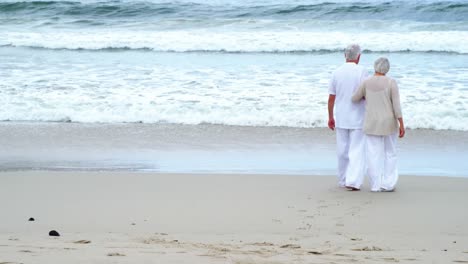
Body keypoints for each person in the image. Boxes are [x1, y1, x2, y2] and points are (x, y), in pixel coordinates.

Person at [352, 57, 405, 192]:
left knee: (373, 154)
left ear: (375, 67)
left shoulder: (366, 82)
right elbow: (396, 106)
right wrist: (401, 124)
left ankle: (375, 185)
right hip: (388, 123)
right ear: (387, 69)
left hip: (372, 123)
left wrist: (366, 97)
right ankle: (388, 184)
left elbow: (354, 98)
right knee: (390, 153)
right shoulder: (391, 82)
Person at [328, 44, 369, 190]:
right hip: (357, 116)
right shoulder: (362, 71)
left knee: (342, 151)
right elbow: (365, 93)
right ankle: (353, 181)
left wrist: (330, 117)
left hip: (341, 116)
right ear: (358, 56)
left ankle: (343, 180)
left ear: (345, 56)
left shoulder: (336, 72)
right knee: (356, 150)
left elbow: (331, 97)